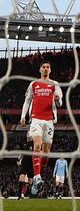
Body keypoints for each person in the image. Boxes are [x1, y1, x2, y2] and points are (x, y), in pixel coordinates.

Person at [19, 60, 62, 196]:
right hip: (36, 119)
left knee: (46, 153)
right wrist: (23, 116)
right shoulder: (34, 84)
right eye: (43, 67)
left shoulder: (55, 85)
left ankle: (38, 178)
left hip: (49, 121)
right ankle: (37, 177)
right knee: (37, 144)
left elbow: (60, 102)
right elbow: (27, 100)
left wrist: (57, 100)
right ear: (40, 69)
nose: (45, 69)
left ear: (50, 70)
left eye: (47, 67)